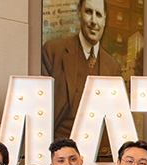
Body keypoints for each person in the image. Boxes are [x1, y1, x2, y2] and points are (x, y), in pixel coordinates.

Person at [41, 0, 122, 140]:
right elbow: (41, 110)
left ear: (104, 19)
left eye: (98, 15)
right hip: (57, 147)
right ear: (79, 12)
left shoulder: (113, 66)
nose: (93, 21)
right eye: (89, 12)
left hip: (96, 151)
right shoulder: (53, 51)